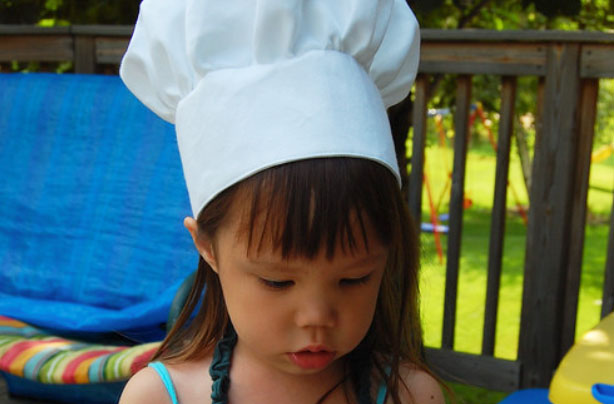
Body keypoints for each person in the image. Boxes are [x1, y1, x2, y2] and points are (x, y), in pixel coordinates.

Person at [118, 0, 446, 403]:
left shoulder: (410, 395)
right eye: (278, 281)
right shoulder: (161, 397)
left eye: (353, 279)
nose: (317, 317)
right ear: (207, 246)